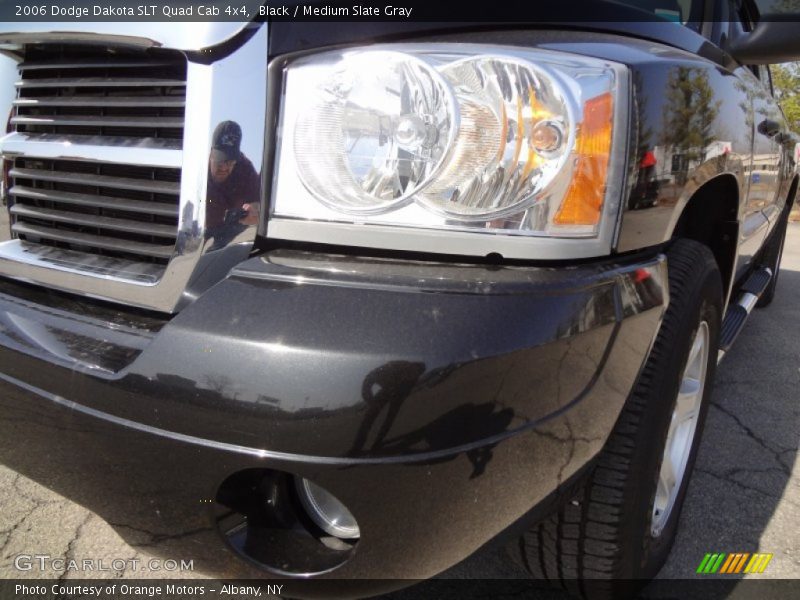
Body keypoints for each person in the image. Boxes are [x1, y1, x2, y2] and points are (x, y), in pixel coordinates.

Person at [205, 120, 261, 249]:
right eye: (220, 161)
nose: (225, 168)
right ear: (211, 154)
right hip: (203, 229)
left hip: (232, 231)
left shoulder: (245, 168)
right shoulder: (198, 168)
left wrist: (253, 211)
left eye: (230, 162)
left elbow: (258, 204)